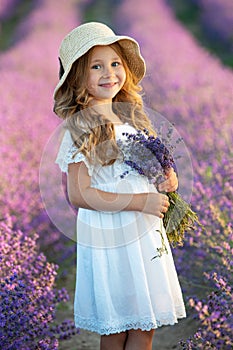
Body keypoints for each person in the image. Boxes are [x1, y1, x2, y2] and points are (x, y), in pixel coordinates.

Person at [54, 22, 186, 350]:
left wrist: (168, 180)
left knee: (146, 324)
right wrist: (141, 202)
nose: (109, 73)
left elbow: (149, 170)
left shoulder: (132, 119)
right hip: (110, 236)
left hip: (143, 235)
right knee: (117, 326)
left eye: (115, 64)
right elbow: (79, 194)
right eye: (96, 66)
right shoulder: (79, 128)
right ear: (76, 78)